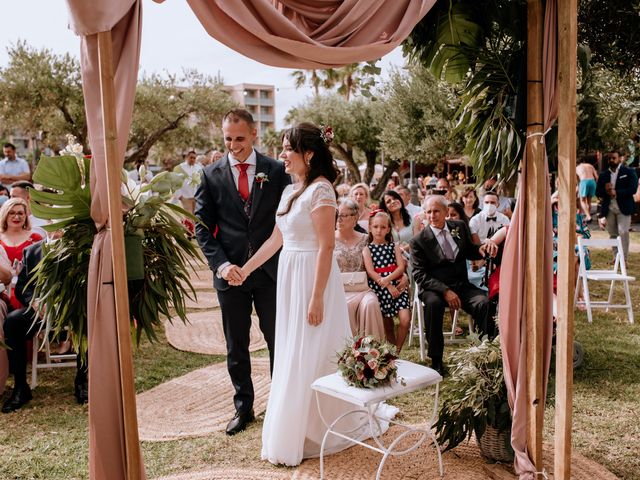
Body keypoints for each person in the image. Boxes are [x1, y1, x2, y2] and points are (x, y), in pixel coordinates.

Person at [236, 122, 395, 466]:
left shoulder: (322, 190)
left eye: (287, 149)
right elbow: (276, 240)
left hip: (313, 277)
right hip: (291, 276)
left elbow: (326, 247)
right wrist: (246, 269)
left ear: (308, 154)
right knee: (293, 348)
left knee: (313, 350)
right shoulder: (292, 190)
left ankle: (320, 425)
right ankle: (297, 424)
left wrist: (317, 297)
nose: (282, 155)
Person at [194, 108, 290, 436]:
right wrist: (223, 265)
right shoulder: (210, 175)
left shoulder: (277, 171)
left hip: (270, 274)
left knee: (279, 340)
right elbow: (202, 228)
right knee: (237, 344)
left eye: (239, 138)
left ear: (253, 135)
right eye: (227, 139)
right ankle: (243, 406)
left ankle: (281, 403)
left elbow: (285, 221)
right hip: (230, 275)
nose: (233, 145)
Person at [410, 195, 497, 375]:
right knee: (433, 305)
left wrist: (480, 249)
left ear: (445, 211)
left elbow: (469, 251)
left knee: (484, 303)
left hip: (461, 285)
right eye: (428, 212)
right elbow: (419, 274)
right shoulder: (419, 241)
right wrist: (445, 291)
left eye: (436, 211)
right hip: (434, 288)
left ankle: (485, 354)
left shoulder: (459, 227)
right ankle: (436, 360)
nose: (432, 215)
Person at [334, 198, 385, 338]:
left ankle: (373, 352)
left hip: (363, 289)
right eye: (336, 214)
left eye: (343, 215)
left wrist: (403, 276)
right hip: (338, 291)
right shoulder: (328, 240)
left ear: (355, 217)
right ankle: (349, 353)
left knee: (371, 304)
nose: (338, 219)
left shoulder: (366, 239)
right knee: (345, 306)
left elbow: (386, 259)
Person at [363, 211, 411, 351]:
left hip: (398, 286)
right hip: (380, 289)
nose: (379, 230)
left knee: (405, 319)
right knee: (388, 324)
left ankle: (397, 350)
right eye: (376, 226)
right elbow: (371, 271)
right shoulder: (367, 249)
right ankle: (392, 354)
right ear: (370, 228)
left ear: (388, 229)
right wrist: (388, 285)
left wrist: (389, 280)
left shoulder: (393, 246)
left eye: (383, 227)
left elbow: (401, 267)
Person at [0, 198, 43, 311]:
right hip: (3, 288)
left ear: (26, 216)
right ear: (5, 215)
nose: (16, 217)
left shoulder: (36, 238)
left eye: (20, 213)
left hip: (27, 288)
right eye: (12, 213)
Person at [596, 149, 638, 260]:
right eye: (609, 158)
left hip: (623, 207)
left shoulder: (628, 172)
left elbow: (633, 189)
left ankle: (624, 259)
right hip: (609, 208)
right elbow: (597, 192)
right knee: (613, 234)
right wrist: (605, 190)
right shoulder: (604, 175)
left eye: (614, 158)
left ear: (620, 158)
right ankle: (616, 258)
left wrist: (617, 192)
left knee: (623, 232)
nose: (611, 160)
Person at [378, 189, 413, 254]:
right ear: (386, 208)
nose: (393, 201)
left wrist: (403, 249)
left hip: (413, 258)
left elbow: (418, 242)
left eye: (395, 198)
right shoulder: (385, 224)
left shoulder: (413, 220)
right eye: (388, 201)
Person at [175, 150, 203, 214]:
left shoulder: (198, 167)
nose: (192, 159)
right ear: (187, 157)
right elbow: (175, 183)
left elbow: (201, 181)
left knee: (197, 217)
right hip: (185, 197)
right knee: (188, 218)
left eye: (194, 158)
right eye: (191, 157)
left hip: (196, 197)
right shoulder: (180, 168)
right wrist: (179, 196)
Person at [576, 155, 598, 222]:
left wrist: (579, 187)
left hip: (583, 181)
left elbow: (577, 180)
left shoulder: (577, 168)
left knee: (582, 200)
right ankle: (588, 216)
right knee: (589, 201)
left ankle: (588, 216)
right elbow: (597, 177)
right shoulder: (590, 166)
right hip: (592, 181)